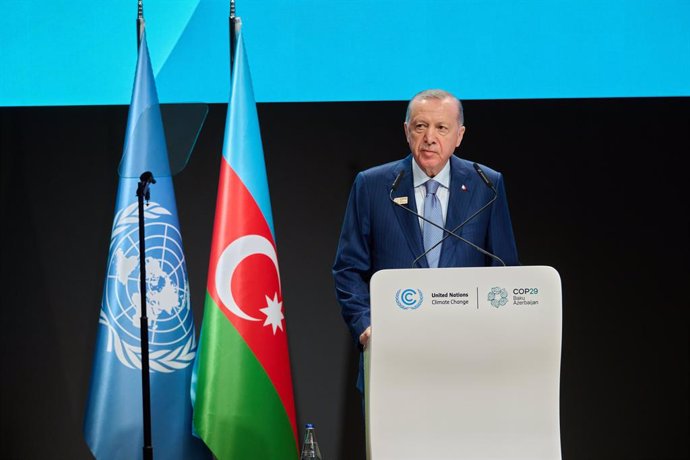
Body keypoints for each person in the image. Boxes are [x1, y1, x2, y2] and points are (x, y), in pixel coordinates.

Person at [332, 89, 520, 394]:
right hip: (394, 357)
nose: (429, 137)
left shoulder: (486, 185)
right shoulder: (373, 185)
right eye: (420, 126)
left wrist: (496, 335)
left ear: (459, 135)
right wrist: (365, 326)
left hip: (467, 358)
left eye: (441, 128)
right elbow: (348, 268)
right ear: (407, 131)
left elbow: (504, 269)